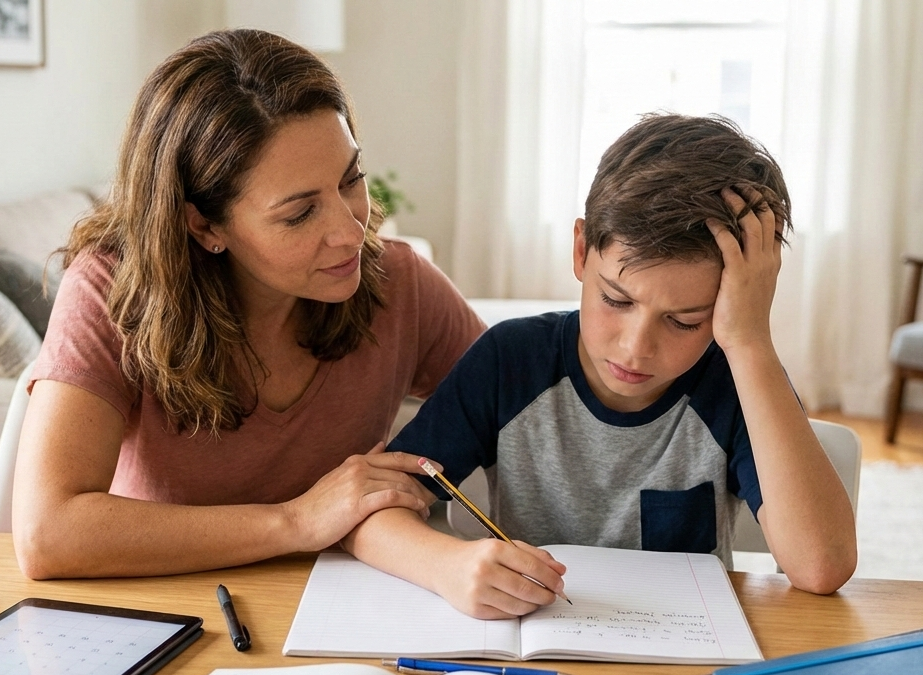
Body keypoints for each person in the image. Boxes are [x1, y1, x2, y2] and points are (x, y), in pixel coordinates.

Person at [342, 114, 857, 619]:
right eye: (615, 300)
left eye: (683, 321)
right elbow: (367, 513)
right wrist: (447, 564)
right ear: (582, 251)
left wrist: (749, 342)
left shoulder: (739, 380)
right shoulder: (510, 361)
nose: (635, 349)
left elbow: (820, 567)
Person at [11, 29, 484, 579]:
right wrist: (296, 522)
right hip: (172, 613)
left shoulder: (400, 282)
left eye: (350, 179)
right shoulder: (111, 291)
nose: (351, 231)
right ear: (204, 224)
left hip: (338, 610)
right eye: (299, 214)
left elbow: (530, 401)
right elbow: (48, 534)